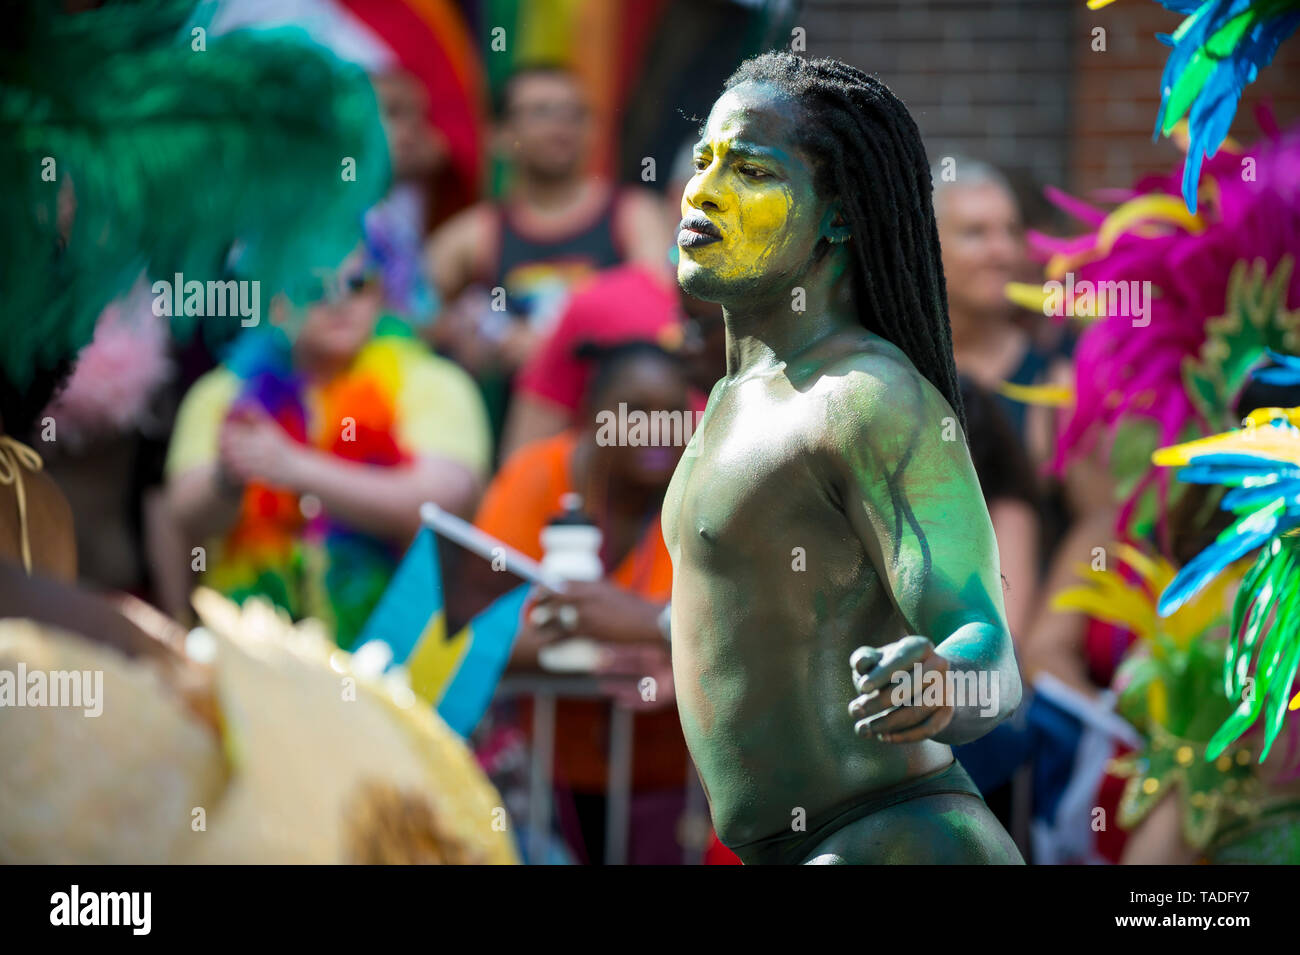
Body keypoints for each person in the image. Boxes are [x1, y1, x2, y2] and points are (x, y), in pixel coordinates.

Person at [662, 51, 1022, 864]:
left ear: (837, 218)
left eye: (752, 170)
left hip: (899, 842)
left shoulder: (866, 396)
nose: (703, 190)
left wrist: (942, 678)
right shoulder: (731, 399)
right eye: (704, 159)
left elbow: (991, 654)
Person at [162, 251, 491, 647]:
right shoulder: (224, 392)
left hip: (392, 655)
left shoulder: (433, 383)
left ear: (381, 290)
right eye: (314, 288)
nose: (339, 302)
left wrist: (293, 468)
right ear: (275, 297)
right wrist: (228, 476)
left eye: (357, 284)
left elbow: (440, 504)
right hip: (250, 650)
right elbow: (185, 515)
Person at [461, 341, 693, 864]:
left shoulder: (701, 494)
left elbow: (725, 631)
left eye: (674, 414)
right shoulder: (538, 474)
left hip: (667, 778)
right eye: (635, 411)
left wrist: (631, 630)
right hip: (543, 775)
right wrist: (648, 632)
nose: (657, 430)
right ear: (591, 414)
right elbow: (476, 633)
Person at [424, 63, 672, 447]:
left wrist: (552, 343)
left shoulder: (633, 215)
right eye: (541, 112)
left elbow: (661, 314)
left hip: (616, 442)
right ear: (500, 135)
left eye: (575, 113)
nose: (561, 126)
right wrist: (456, 332)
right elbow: (405, 313)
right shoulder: (477, 233)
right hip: (513, 442)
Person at [932, 158, 1071, 469]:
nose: (1003, 251)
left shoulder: (1056, 386)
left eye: (1011, 231)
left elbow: (1103, 501)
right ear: (926, 245)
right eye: (975, 232)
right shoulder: (894, 372)